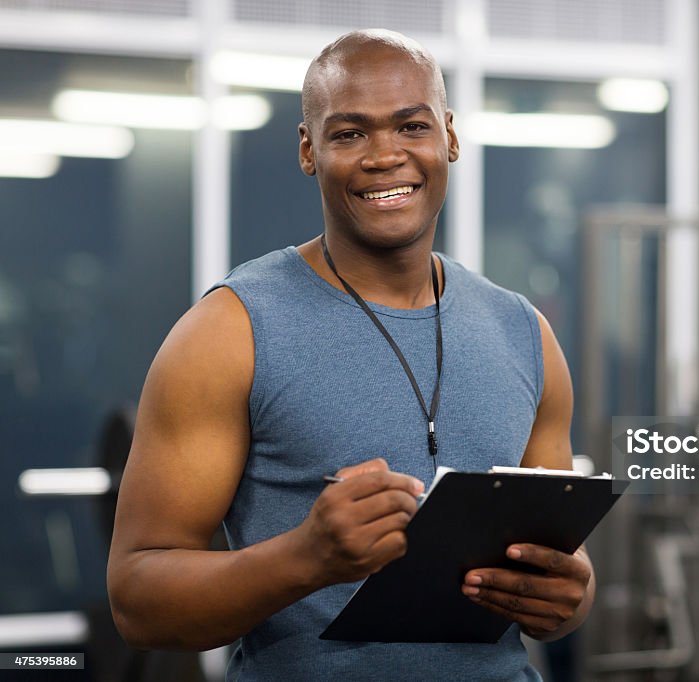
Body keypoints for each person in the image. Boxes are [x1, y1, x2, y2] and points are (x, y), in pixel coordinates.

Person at [107, 29, 593, 681]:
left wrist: (569, 593)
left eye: (410, 126)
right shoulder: (229, 330)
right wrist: (306, 557)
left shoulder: (523, 333)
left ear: (448, 136)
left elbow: (561, 570)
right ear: (309, 150)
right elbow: (138, 602)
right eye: (349, 133)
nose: (384, 156)